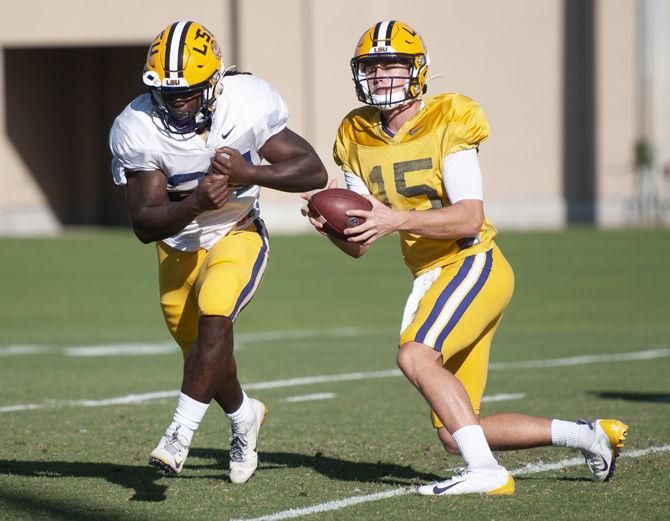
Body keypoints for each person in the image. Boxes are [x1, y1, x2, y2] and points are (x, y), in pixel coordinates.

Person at [301, 20, 628, 496]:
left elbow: (469, 217)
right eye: (372, 67)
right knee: (455, 433)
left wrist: (395, 220)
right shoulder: (354, 132)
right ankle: (588, 435)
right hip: (431, 275)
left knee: (414, 357)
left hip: (471, 262)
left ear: (417, 69)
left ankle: (489, 474)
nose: (381, 77)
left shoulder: (449, 117)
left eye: (392, 65)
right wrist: (329, 227)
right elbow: (361, 241)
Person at [109, 20, 327, 484]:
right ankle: (244, 415)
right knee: (205, 358)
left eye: (188, 92)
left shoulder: (245, 102)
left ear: (214, 82)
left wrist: (251, 174)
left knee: (216, 315)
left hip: (237, 231)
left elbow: (311, 170)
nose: (177, 103)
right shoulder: (137, 126)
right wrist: (194, 203)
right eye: (168, 94)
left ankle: (178, 435)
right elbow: (145, 224)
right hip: (177, 248)